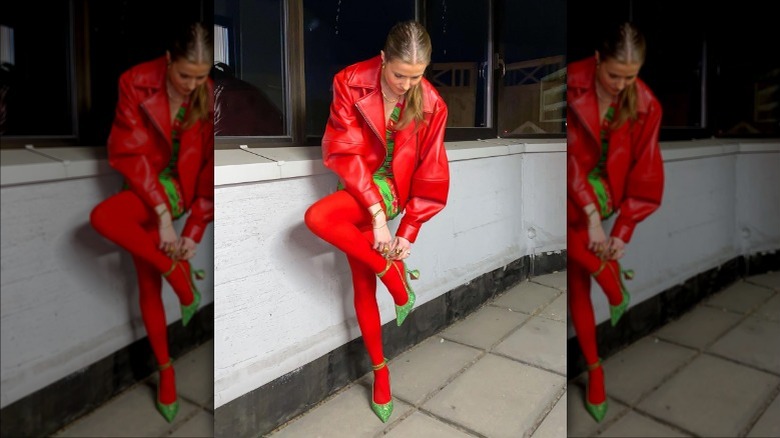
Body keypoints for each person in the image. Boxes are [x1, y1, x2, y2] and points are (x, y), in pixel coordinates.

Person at [304, 20, 449, 423]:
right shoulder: (349, 81)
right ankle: (381, 372)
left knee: (320, 218)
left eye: (416, 76)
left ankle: (394, 273)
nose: (406, 85)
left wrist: (408, 230)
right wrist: (375, 215)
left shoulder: (433, 103)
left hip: (391, 190)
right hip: (356, 185)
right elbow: (344, 152)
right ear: (383, 59)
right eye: (399, 74)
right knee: (361, 282)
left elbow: (431, 171)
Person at [89, 22, 214, 423]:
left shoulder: (207, 94)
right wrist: (161, 217)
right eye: (184, 75)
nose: (192, 85)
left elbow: (208, 170)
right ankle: (166, 370)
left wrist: (193, 229)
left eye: (201, 76)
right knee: (139, 270)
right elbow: (130, 153)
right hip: (144, 189)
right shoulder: (135, 82)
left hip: (179, 190)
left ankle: (177, 276)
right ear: (167, 62)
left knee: (140, 267)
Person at [567, 21, 664, 422]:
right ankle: (596, 368)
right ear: (596, 61)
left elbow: (645, 175)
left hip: (603, 190)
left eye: (631, 76)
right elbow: (567, 156)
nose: (622, 84)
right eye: (613, 75)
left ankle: (608, 274)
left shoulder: (646, 104)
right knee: (577, 286)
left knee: (571, 235)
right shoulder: (570, 83)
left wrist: (620, 232)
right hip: (572, 192)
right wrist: (591, 219)